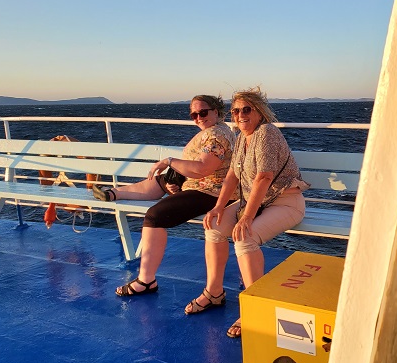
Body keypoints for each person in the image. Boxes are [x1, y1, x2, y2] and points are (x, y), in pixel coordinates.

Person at [184, 87, 308, 338]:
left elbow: (264, 177)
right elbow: (232, 175)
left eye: (246, 110)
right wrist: (218, 207)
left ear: (259, 111)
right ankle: (214, 292)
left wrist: (247, 218)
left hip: (286, 202)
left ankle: (254, 307)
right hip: (256, 202)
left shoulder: (266, 133)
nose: (240, 115)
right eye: (235, 111)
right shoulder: (241, 137)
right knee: (215, 226)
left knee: (245, 236)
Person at [92, 94, 236, 296]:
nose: (198, 118)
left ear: (216, 112)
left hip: (212, 192)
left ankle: (146, 281)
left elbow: (203, 168)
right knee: (161, 182)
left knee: (154, 216)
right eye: (194, 115)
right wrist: (177, 176)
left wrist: (169, 161)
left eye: (203, 112)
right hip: (198, 185)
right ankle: (113, 193)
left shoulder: (216, 136)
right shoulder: (217, 131)